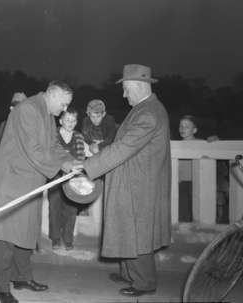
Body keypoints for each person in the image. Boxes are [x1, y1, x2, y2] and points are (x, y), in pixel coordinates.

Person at [0, 80, 78, 303]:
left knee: (26, 232)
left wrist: (71, 161)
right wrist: (63, 167)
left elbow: (53, 146)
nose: (64, 110)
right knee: (4, 237)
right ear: (52, 95)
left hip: (29, 183)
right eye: (63, 104)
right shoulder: (28, 109)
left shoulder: (46, 113)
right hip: (10, 183)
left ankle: (22, 277)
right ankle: (1, 288)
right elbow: (34, 151)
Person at [82, 64, 171, 297]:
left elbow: (124, 147)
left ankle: (144, 282)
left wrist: (88, 166)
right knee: (126, 227)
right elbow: (121, 138)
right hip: (133, 178)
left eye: (127, 89)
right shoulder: (144, 108)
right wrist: (100, 148)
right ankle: (129, 273)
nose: (124, 94)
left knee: (137, 231)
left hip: (139, 182)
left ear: (141, 87)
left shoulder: (148, 113)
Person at [48, 108, 85, 250]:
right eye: (68, 120)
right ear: (61, 120)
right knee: (54, 208)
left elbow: (81, 158)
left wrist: (75, 172)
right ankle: (55, 238)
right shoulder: (53, 135)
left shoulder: (79, 137)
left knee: (71, 209)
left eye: (74, 120)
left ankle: (68, 238)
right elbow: (51, 156)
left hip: (73, 179)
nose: (71, 123)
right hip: (55, 178)